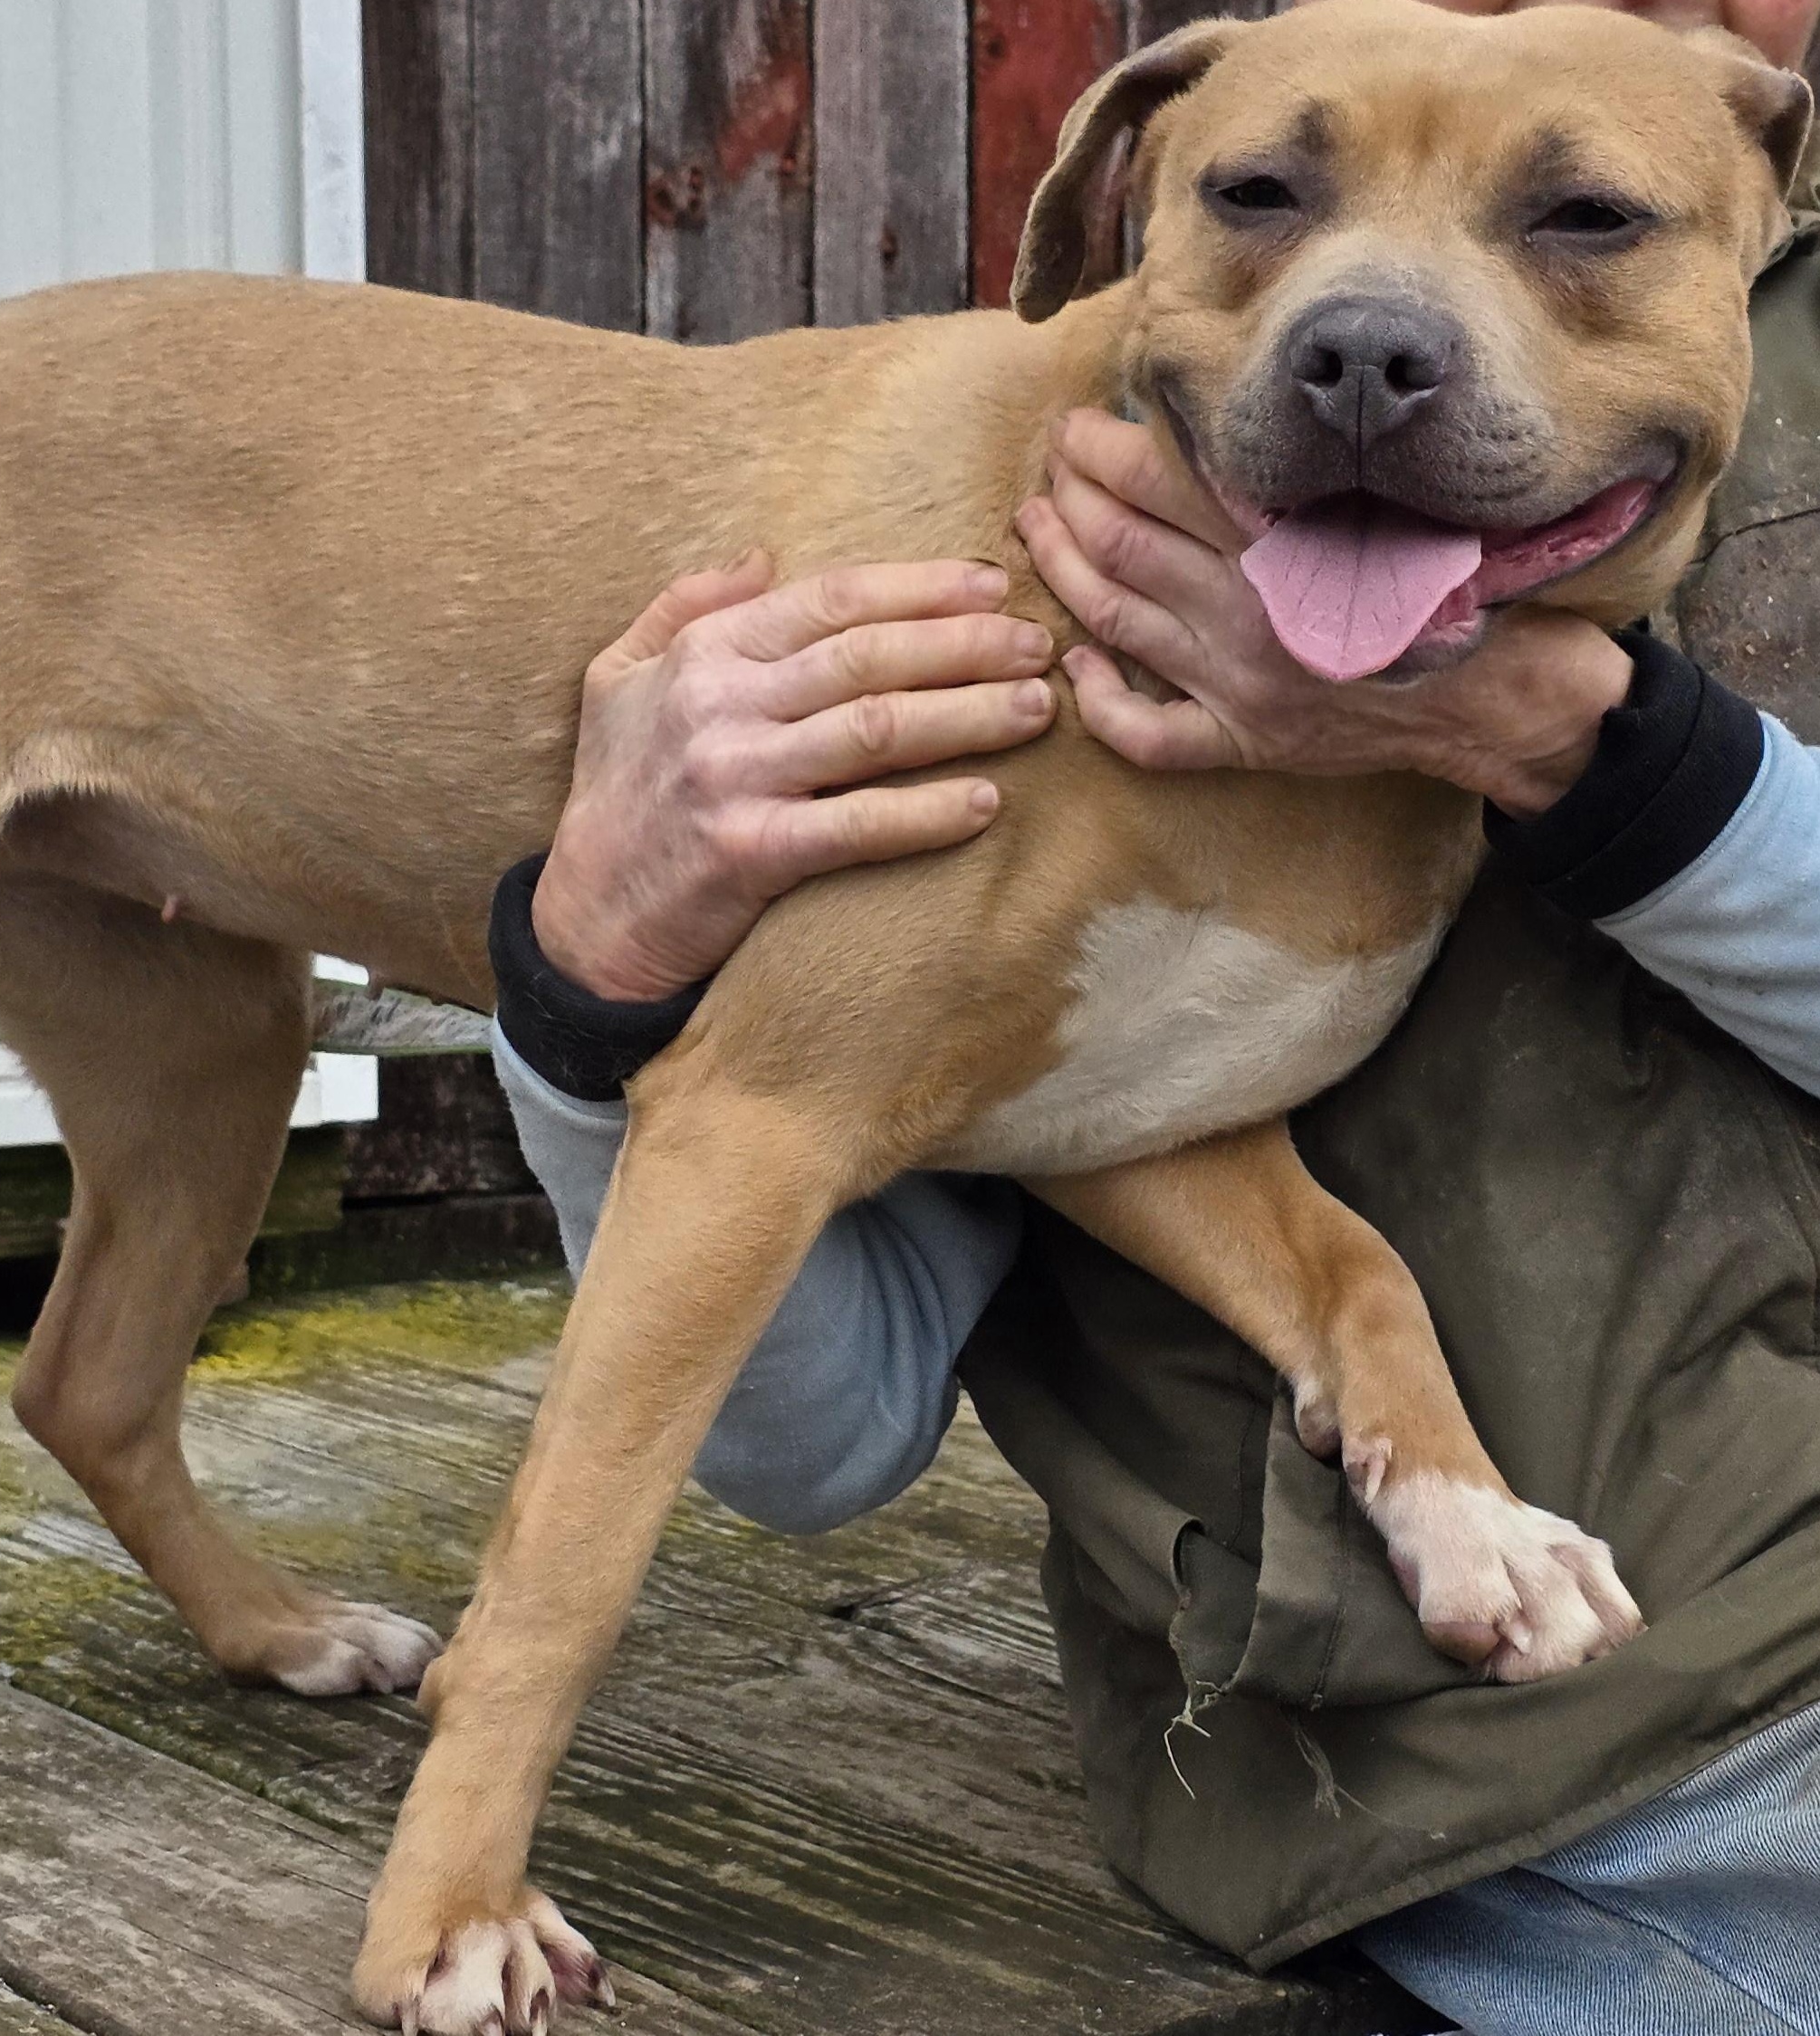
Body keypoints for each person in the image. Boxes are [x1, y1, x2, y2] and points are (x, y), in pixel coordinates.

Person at [487, 1, 1820, 2027]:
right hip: (1476, 1781)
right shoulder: (993, 562)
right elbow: (816, 1431)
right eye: (1268, 201)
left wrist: (1602, 755)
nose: (1372, 328)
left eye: (1584, 221)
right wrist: (591, 983)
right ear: (1113, 231)